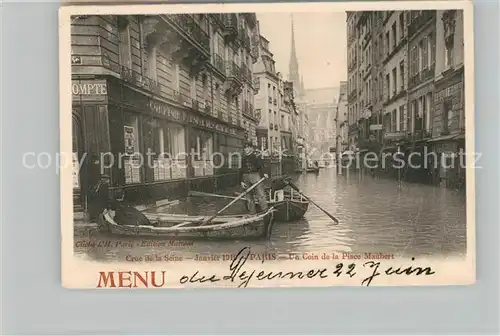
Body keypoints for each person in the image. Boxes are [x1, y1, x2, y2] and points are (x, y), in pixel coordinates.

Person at [240, 141, 269, 214]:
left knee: (260, 194)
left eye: (248, 147)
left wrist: (264, 173)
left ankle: (265, 211)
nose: (246, 149)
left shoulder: (256, 157)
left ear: (251, 148)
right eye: (245, 148)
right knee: (248, 197)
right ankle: (252, 212)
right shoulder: (243, 158)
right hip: (245, 177)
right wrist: (241, 181)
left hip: (255, 175)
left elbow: (261, 166)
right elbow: (241, 170)